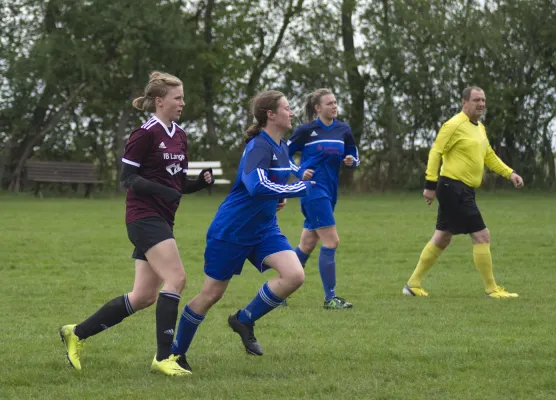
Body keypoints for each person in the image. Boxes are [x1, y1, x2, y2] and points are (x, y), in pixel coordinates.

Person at [59, 71, 214, 377]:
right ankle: (163, 356)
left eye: (182, 97)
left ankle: (75, 333)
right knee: (177, 278)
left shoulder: (180, 135)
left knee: (143, 296)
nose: (182, 102)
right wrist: (163, 190)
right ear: (160, 101)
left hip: (162, 220)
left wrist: (199, 182)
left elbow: (177, 182)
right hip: (143, 217)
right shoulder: (144, 134)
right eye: (178, 97)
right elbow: (127, 179)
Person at [170, 90, 314, 373]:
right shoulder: (259, 146)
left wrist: (280, 197)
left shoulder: (281, 146)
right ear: (270, 115)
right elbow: (255, 185)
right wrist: (296, 188)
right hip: (232, 231)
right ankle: (175, 354)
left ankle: (244, 319)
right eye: (287, 108)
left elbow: (272, 184)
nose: (292, 112)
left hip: (264, 230)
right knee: (211, 294)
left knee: (294, 275)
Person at [403, 86, 524, 298]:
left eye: (483, 100)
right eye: (476, 100)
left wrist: (509, 173)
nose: (481, 104)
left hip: (463, 189)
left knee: (442, 238)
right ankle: (492, 289)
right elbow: (435, 152)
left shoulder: (480, 128)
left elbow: (489, 156)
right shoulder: (453, 124)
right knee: (481, 235)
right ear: (464, 102)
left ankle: (413, 284)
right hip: (453, 188)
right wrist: (430, 185)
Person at [287, 88, 360, 309]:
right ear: (318, 108)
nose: (334, 106)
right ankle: (331, 298)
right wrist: (299, 173)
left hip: (330, 192)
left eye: (336, 102)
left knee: (308, 243)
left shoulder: (343, 130)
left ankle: (277, 290)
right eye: (329, 103)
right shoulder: (306, 131)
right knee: (331, 241)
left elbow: (354, 155)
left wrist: (351, 161)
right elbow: (283, 154)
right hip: (313, 191)